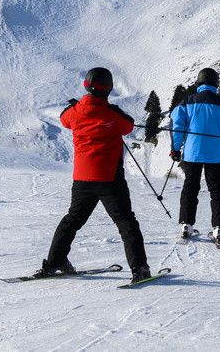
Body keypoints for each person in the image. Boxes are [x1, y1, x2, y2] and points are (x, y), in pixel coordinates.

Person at [34, 68, 151, 282]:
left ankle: (54, 262)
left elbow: (64, 119)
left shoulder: (74, 112)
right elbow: (128, 126)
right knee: (125, 222)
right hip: (109, 178)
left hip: (82, 178)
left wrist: (78, 107)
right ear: (109, 89)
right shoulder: (113, 114)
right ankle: (139, 269)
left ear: (87, 86)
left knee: (72, 220)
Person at [171, 68, 220, 243]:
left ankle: (186, 225)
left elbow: (177, 124)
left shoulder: (188, 102)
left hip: (192, 153)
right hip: (215, 155)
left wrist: (175, 149)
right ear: (216, 85)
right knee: (217, 190)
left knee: (190, 187)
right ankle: (218, 229)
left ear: (198, 84)